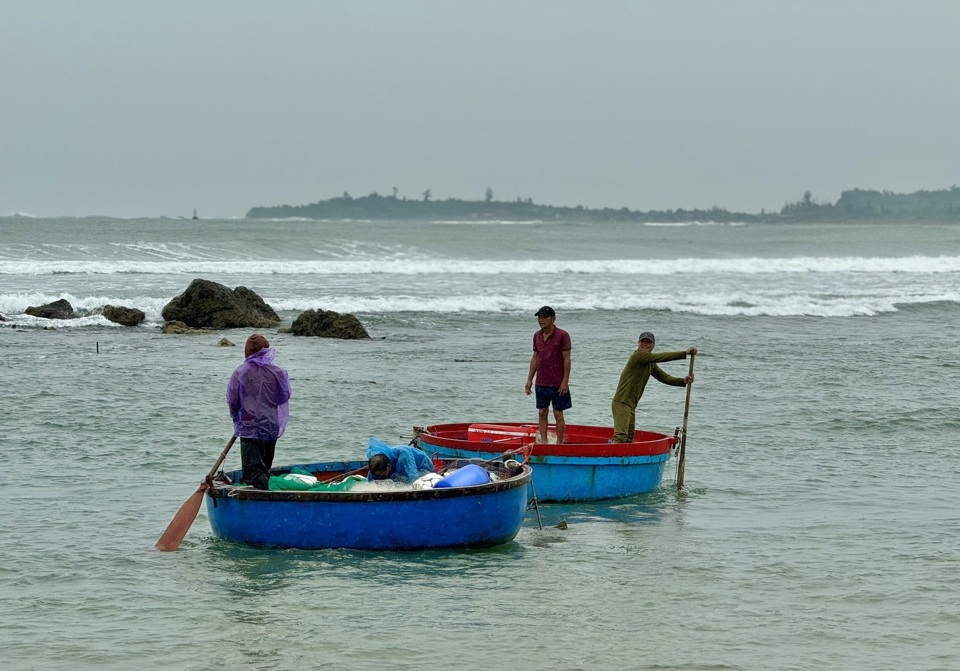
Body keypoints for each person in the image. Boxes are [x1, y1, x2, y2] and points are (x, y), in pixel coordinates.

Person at [226, 334, 291, 489]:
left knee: (252, 474)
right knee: (264, 469)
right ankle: (263, 497)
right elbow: (284, 396)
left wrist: (237, 419)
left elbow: (233, 401)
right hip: (270, 427)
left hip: (249, 429)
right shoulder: (278, 373)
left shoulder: (240, 373)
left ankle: (257, 501)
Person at [611, 331, 696, 443]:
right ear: (638, 343)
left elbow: (664, 377)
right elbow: (661, 357)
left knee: (629, 438)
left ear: (653, 345)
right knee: (621, 437)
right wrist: (684, 353)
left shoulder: (650, 363)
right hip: (621, 403)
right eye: (643, 342)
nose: (645, 345)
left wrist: (683, 381)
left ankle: (624, 459)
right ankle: (613, 459)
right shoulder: (638, 356)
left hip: (630, 405)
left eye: (648, 342)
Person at [524, 305, 572, 444]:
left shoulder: (562, 335)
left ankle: (559, 444)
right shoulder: (537, 336)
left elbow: (567, 359)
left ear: (553, 319)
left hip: (557, 382)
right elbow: (535, 358)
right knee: (542, 412)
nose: (541, 320)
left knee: (558, 414)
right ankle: (544, 442)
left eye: (544, 317)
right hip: (541, 382)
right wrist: (529, 380)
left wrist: (565, 381)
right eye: (539, 317)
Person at [366, 439, 435, 483]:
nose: (382, 477)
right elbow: (370, 481)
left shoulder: (404, 455)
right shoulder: (376, 465)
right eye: (378, 475)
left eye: (383, 474)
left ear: (388, 466)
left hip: (422, 466)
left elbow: (413, 478)